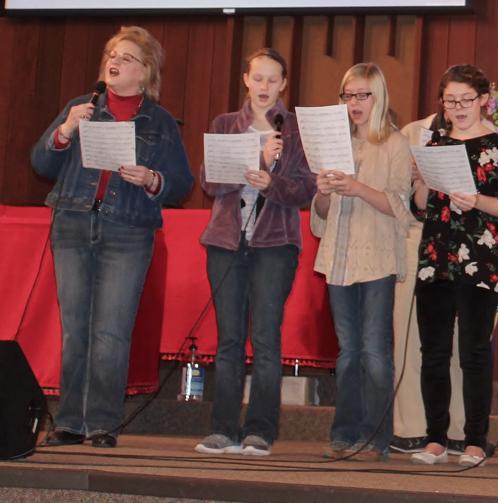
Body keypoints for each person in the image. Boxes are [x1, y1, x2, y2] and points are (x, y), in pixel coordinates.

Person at [33, 26, 193, 448]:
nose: (114, 62)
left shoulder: (159, 121)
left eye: (126, 57)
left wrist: (152, 178)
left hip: (128, 231)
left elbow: (181, 182)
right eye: (112, 55)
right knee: (75, 329)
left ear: (145, 72)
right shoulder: (81, 107)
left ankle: (103, 423)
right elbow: (41, 162)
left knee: (111, 332)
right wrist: (65, 130)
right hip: (72, 224)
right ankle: (70, 421)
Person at [193, 49, 316, 457]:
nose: (264, 87)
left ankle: (260, 430)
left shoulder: (295, 130)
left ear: (284, 84)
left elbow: (306, 188)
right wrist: (257, 161)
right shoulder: (225, 124)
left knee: (265, 338)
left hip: (275, 245)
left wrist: (271, 184)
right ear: (246, 79)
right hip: (227, 242)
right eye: (257, 78)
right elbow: (209, 181)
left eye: (272, 79)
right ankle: (222, 429)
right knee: (229, 339)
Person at [391, 107, 498, 456]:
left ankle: (474, 441)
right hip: (436, 259)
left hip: (481, 260)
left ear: (481, 100)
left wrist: (477, 201)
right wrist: (422, 180)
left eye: (465, 99)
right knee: (434, 353)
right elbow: (420, 208)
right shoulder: (434, 144)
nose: (458, 106)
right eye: (451, 100)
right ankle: (435, 437)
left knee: (474, 354)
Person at [311, 63, 411, 460]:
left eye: (362, 95)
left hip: (377, 258)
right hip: (339, 256)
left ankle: (375, 438)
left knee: (374, 352)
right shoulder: (334, 144)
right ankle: (344, 432)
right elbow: (320, 218)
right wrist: (322, 192)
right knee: (348, 352)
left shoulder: (395, 143)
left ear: (378, 97)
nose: (354, 103)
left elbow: (401, 207)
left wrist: (357, 188)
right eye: (348, 95)